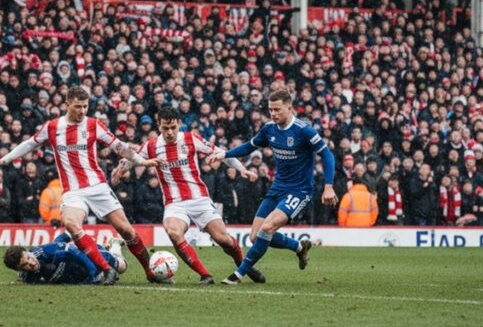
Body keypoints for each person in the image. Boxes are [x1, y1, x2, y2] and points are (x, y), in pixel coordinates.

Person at [0, 86, 160, 284]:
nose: (82, 111)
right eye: (78, 106)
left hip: (97, 186)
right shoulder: (53, 127)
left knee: (127, 231)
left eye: (85, 106)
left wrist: (142, 161)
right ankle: (106, 270)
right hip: (73, 191)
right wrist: (4, 160)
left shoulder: (93, 125)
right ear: (67, 105)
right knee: (71, 224)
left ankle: (149, 271)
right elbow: (29, 143)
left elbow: (119, 146)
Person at [112, 106, 264, 285]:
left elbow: (221, 154)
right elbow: (133, 160)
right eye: (165, 128)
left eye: (173, 127)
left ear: (179, 124)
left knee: (223, 239)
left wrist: (242, 169)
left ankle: (243, 265)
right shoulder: (151, 146)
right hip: (174, 203)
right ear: (159, 126)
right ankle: (205, 275)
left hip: (199, 199)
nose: (170, 132)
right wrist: (120, 168)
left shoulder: (191, 139)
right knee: (174, 232)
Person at [207, 89, 337, 285]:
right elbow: (249, 146)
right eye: (270, 110)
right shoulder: (269, 129)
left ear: (289, 108)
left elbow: (327, 155)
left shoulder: (304, 130)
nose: (273, 114)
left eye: (277, 109)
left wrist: (328, 186)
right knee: (254, 237)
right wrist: (225, 154)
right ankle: (299, 247)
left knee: (267, 228)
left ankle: (238, 274)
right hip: (277, 189)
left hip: (299, 191)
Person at [4, 234, 127, 285]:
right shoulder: (27, 277)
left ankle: (115, 244)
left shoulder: (44, 252)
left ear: (28, 251)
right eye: (24, 265)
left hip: (88, 256)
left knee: (122, 267)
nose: (31, 263)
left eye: (29, 258)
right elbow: (58, 242)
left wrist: (93, 273)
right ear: (19, 269)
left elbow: (74, 251)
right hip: (78, 274)